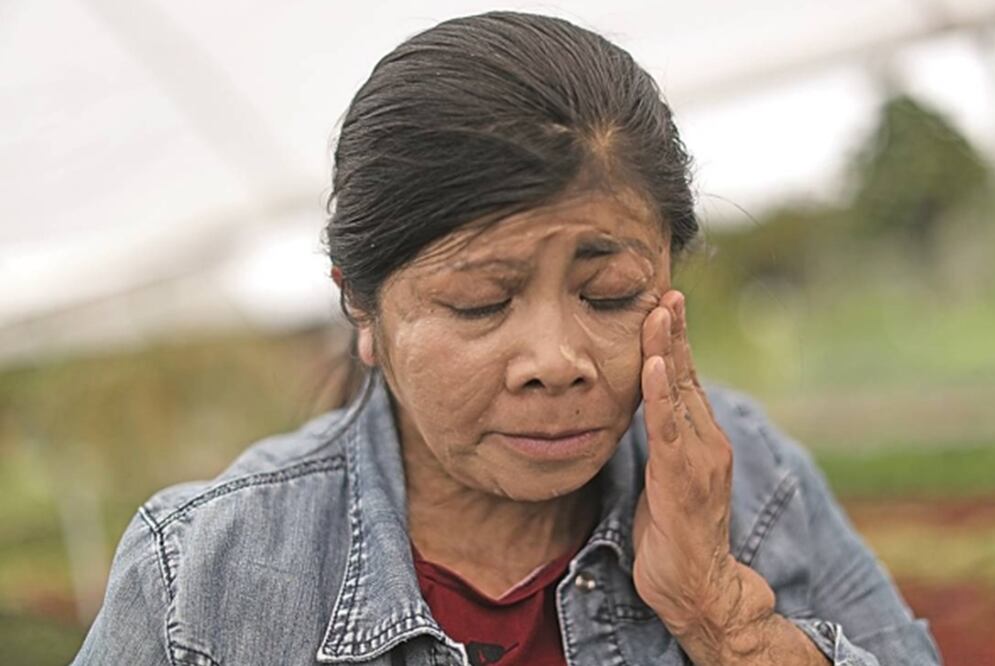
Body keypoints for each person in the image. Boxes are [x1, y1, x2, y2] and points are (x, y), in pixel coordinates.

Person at [74, 11, 941, 666]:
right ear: (363, 311)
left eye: (610, 294)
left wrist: (721, 613)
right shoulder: (207, 574)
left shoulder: (754, 481)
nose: (556, 362)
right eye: (482, 303)